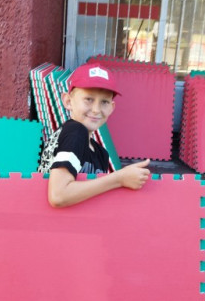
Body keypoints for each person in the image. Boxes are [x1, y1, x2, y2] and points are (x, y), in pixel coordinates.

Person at [44, 62, 151, 207]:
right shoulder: (75, 132)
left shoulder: (101, 153)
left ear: (112, 108)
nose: (96, 109)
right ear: (68, 101)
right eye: (89, 99)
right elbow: (58, 196)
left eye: (104, 102)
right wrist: (119, 179)